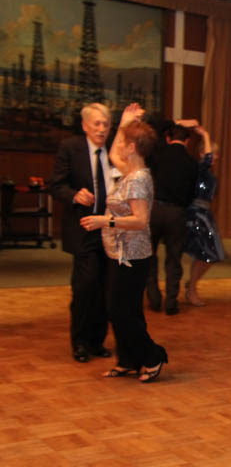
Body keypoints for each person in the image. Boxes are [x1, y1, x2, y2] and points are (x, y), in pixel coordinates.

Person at [79, 104, 168, 383]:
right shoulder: (131, 172)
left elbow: (141, 220)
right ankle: (129, 360)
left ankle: (152, 355)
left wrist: (106, 221)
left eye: (125, 142)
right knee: (121, 309)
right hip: (119, 253)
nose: (120, 148)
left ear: (133, 148)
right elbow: (115, 153)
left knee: (121, 310)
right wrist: (123, 124)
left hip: (133, 256)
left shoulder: (139, 180)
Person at [50, 103, 114, 363]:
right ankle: (79, 342)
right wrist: (75, 195)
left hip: (109, 229)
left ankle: (97, 341)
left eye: (106, 124)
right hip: (84, 228)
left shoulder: (115, 152)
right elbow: (56, 185)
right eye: (97, 124)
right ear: (85, 125)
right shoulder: (70, 148)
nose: (102, 129)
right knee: (85, 287)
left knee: (105, 288)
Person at [146, 122, 199, 315]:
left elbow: (154, 134)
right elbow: (194, 192)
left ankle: (153, 298)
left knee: (149, 256)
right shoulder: (192, 163)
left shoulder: (157, 156)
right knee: (174, 259)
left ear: (168, 138)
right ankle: (171, 302)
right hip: (178, 213)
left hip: (155, 210)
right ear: (188, 141)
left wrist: (176, 122)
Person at [181, 123, 225, 306]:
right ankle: (191, 289)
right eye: (211, 153)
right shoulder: (199, 169)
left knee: (210, 253)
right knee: (208, 252)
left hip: (204, 214)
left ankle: (192, 285)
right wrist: (205, 134)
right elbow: (206, 160)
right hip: (196, 215)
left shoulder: (207, 172)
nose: (213, 157)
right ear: (201, 154)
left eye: (216, 154)